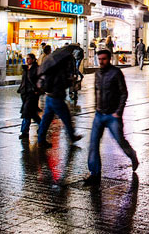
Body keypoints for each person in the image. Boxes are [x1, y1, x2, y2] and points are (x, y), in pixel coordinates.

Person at [83, 48, 139, 186]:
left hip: (113, 115)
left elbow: (123, 93)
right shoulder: (98, 74)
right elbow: (97, 92)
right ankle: (94, 174)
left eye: (104, 59)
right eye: (100, 59)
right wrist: (96, 107)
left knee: (120, 141)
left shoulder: (116, 73)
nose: (101, 62)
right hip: (99, 114)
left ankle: (132, 155)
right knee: (93, 144)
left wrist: (118, 112)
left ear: (109, 59)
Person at [36, 51, 82, 148]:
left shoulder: (50, 70)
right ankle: (72, 136)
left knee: (46, 120)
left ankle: (40, 140)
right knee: (66, 118)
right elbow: (62, 84)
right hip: (57, 98)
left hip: (49, 97)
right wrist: (70, 81)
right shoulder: (60, 71)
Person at [18, 53, 42, 139]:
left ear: (33, 59)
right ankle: (42, 125)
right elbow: (23, 80)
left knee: (26, 112)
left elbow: (39, 81)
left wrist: (37, 90)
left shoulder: (36, 69)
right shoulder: (25, 68)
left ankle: (24, 131)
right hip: (24, 93)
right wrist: (21, 89)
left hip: (32, 93)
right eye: (26, 58)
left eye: (28, 58)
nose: (27, 60)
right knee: (31, 113)